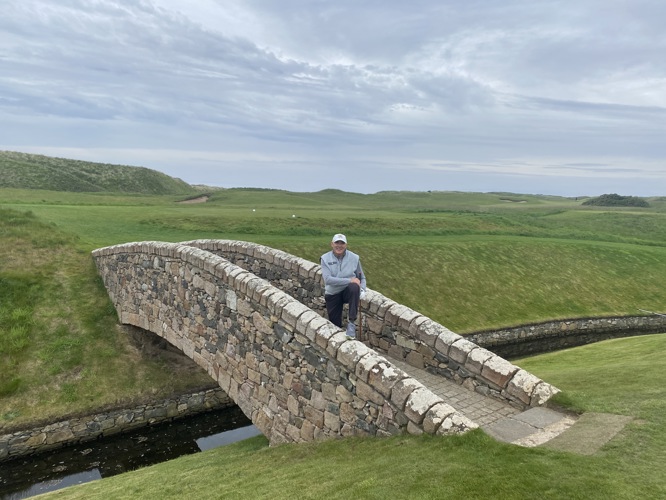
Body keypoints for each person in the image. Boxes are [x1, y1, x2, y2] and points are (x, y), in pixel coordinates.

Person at [320, 233, 366, 338]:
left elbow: (361, 278)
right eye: (337, 243)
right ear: (332, 244)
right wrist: (349, 280)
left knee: (355, 287)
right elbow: (328, 280)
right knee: (335, 325)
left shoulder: (354, 258)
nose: (339, 246)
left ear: (346, 245)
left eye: (342, 243)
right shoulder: (325, 258)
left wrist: (362, 289)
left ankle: (351, 323)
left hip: (347, 292)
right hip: (333, 293)